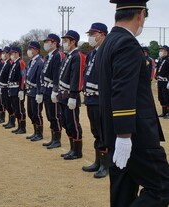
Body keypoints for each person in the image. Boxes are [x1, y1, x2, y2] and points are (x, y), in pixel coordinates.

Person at [96, 1, 169, 206]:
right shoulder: (127, 43)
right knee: (162, 188)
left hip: (114, 132)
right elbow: (122, 91)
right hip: (135, 135)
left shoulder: (108, 42)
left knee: (122, 192)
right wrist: (125, 135)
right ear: (141, 14)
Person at [81, 23, 109, 178]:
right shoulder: (92, 54)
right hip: (90, 98)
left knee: (103, 132)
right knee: (95, 131)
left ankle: (105, 165)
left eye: (93, 34)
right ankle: (98, 161)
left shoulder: (106, 51)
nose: (90, 37)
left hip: (100, 99)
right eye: (89, 34)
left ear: (102, 34)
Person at [58, 30, 86, 160]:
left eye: (66, 40)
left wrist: (74, 96)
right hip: (62, 95)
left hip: (70, 95)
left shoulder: (77, 56)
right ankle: (71, 148)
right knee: (66, 122)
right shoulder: (68, 55)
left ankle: (77, 151)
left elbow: (77, 77)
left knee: (73, 123)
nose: (63, 43)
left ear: (73, 42)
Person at [39, 34, 62, 149]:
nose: (46, 44)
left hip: (52, 88)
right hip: (46, 88)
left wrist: (55, 90)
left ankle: (57, 139)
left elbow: (57, 74)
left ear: (54, 43)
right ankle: (53, 138)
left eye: (48, 42)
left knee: (55, 115)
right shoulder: (49, 56)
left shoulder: (57, 55)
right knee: (49, 115)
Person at [25, 41, 44, 141]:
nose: (29, 51)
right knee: (30, 113)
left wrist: (39, 93)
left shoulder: (39, 62)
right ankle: (35, 131)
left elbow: (39, 79)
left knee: (37, 113)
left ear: (36, 50)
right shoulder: (31, 62)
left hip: (36, 91)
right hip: (30, 91)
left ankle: (39, 133)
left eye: (31, 49)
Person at [8, 46, 26, 134]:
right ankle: (19, 126)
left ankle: (22, 127)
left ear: (17, 53)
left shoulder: (20, 62)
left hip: (17, 89)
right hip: (12, 89)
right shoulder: (14, 63)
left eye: (13, 53)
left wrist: (21, 89)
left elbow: (23, 76)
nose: (11, 55)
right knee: (15, 108)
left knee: (20, 109)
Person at [0, 47, 15, 129]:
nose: (3, 54)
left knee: (9, 105)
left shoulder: (10, 63)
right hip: (2, 86)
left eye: (5, 53)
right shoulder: (5, 63)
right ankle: (10, 121)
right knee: (5, 104)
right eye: (3, 53)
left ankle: (12, 122)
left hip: (7, 87)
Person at [156, 45, 169, 119]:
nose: (161, 52)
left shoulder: (168, 60)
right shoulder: (160, 60)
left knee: (167, 97)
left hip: (166, 81)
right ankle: (164, 112)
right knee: (161, 97)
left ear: (167, 52)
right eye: (160, 50)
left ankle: (168, 113)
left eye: (163, 50)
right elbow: (158, 70)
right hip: (160, 81)